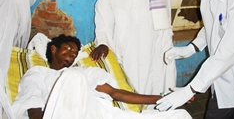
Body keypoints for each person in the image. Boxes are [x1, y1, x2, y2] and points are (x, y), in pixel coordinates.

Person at [12, 34, 191, 119]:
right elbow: (33, 106)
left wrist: (166, 98)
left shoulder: (84, 73)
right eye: (68, 49)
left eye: (75, 54)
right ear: (53, 49)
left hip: (99, 114)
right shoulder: (38, 74)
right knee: (71, 78)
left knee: (180, 116)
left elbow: (117, 94)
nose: (72, 55)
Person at [90, 0, 176, 98]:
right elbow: (102, 16)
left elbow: (164, 14)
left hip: (154, 41)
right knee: (131, 82)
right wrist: (102, 42)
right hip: (127, 44)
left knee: (157, 80)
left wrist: (166, 42)